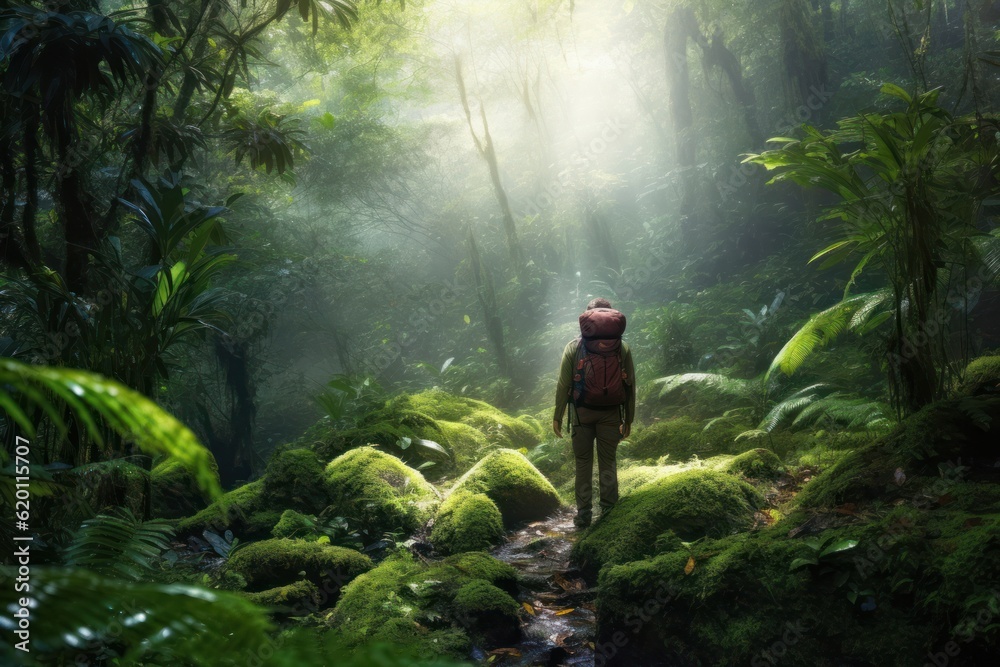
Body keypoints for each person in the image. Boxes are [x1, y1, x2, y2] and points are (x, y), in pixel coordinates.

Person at [553, 297, 635, 528]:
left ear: (586, 318)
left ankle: (583, 515)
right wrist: (629, 418)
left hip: (581, 414)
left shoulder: (574, 346)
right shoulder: (622, 347)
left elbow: (563, 384)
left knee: (583, 464)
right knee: (608, 462)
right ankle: (609, 513)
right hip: (611, 414)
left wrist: (557, 415)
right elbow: (630, 385)